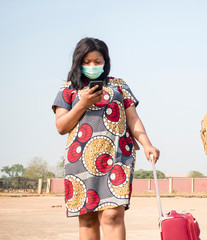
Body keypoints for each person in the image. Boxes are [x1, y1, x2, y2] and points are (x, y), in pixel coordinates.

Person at [52, 37, 160, 240]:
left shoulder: (119, 85)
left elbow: (133, 118)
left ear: (105, 62)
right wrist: (82, 103)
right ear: (78, 62)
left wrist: (147, 144)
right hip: (80, 160)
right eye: (87, 62)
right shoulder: (67, 89)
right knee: (88, 219)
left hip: (117, 156)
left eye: (97, 61)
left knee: (112, 215)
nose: (93, 66)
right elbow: (61, 126)